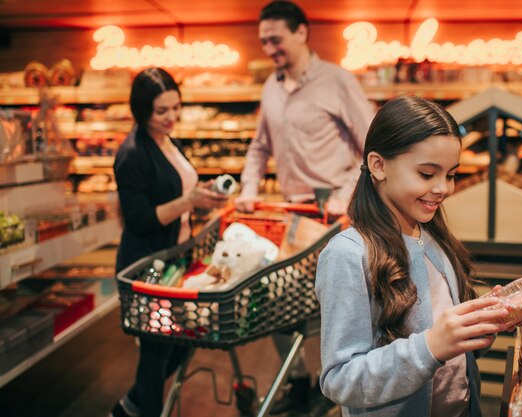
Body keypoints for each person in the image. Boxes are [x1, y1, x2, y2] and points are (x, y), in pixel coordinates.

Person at [315, 96, 513, 417]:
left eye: (450, 175)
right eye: (426, 174)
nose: (443, 189)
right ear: (378, 165)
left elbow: (451, 355)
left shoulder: (433, 238)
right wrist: (430, 347)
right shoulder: (347, 255)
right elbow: (340, 379)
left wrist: (475, 327)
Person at [236, 2, 375, 415]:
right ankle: (299, 379)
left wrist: (344, 193)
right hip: (289, 218)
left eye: (275, 39)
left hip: (336, 218)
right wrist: (248, 185)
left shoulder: (337, 81)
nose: (269, 49)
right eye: (263, 42)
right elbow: (260, 147)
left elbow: (372, 148)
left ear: (301, 33)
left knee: (340, 306)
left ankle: (346, 388)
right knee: (277, 298)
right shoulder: (271, 88)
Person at [110, 67, 228, 417]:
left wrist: (201, 197)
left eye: (176, 107)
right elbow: (140, 220)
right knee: (156, 350)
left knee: (176, 342)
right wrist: (189, 201)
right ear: (142, 110)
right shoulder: (132, 154)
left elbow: (175, 190)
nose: (172, 117)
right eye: (162, 111)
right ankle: (140, 408)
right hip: (147, 264)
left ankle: (129, 407)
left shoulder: (167, 140)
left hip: (173, 258)